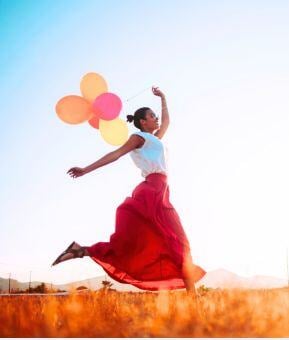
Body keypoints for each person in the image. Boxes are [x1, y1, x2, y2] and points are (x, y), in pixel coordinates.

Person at [52, 86, 205, 294]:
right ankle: (194, 301)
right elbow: (115, 154)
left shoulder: (156, 138)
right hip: (151, 191)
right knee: (174, 244)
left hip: (161, 192)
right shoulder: (138, 138)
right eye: (152, 116)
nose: (156, 118)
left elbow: (167, 121)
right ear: (143, 122)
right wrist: (85, 169)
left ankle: (81, 250)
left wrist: (164, 98)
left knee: (176, 243)